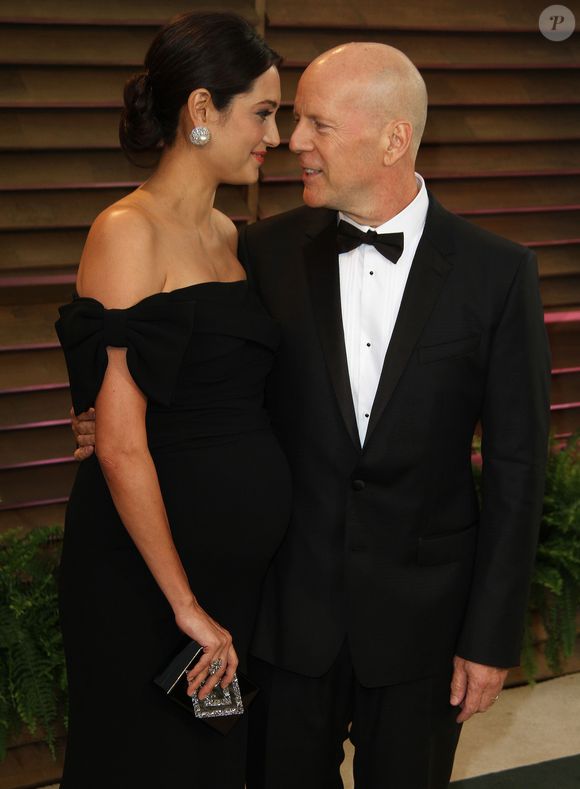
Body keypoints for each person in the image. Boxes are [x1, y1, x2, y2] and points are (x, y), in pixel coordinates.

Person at [74, 42, 551, 789]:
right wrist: (108, 426)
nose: (293, 141)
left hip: (422, 627)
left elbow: (520, 467)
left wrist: (490, 638)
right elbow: (203, 382)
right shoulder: (257, 251)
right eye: (285, 119)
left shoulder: (498, 272)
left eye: (317, 125)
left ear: (393, 137)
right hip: (283, 620)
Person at [55, 12, 290, 789]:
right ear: (200, 110)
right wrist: (185, 602)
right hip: (148, 575)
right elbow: (120, 442)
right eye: (262, 112)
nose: (276, 135)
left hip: (229, 576)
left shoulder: (230, 233)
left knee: (217, 766)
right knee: (146, 764)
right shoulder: (127, 231)